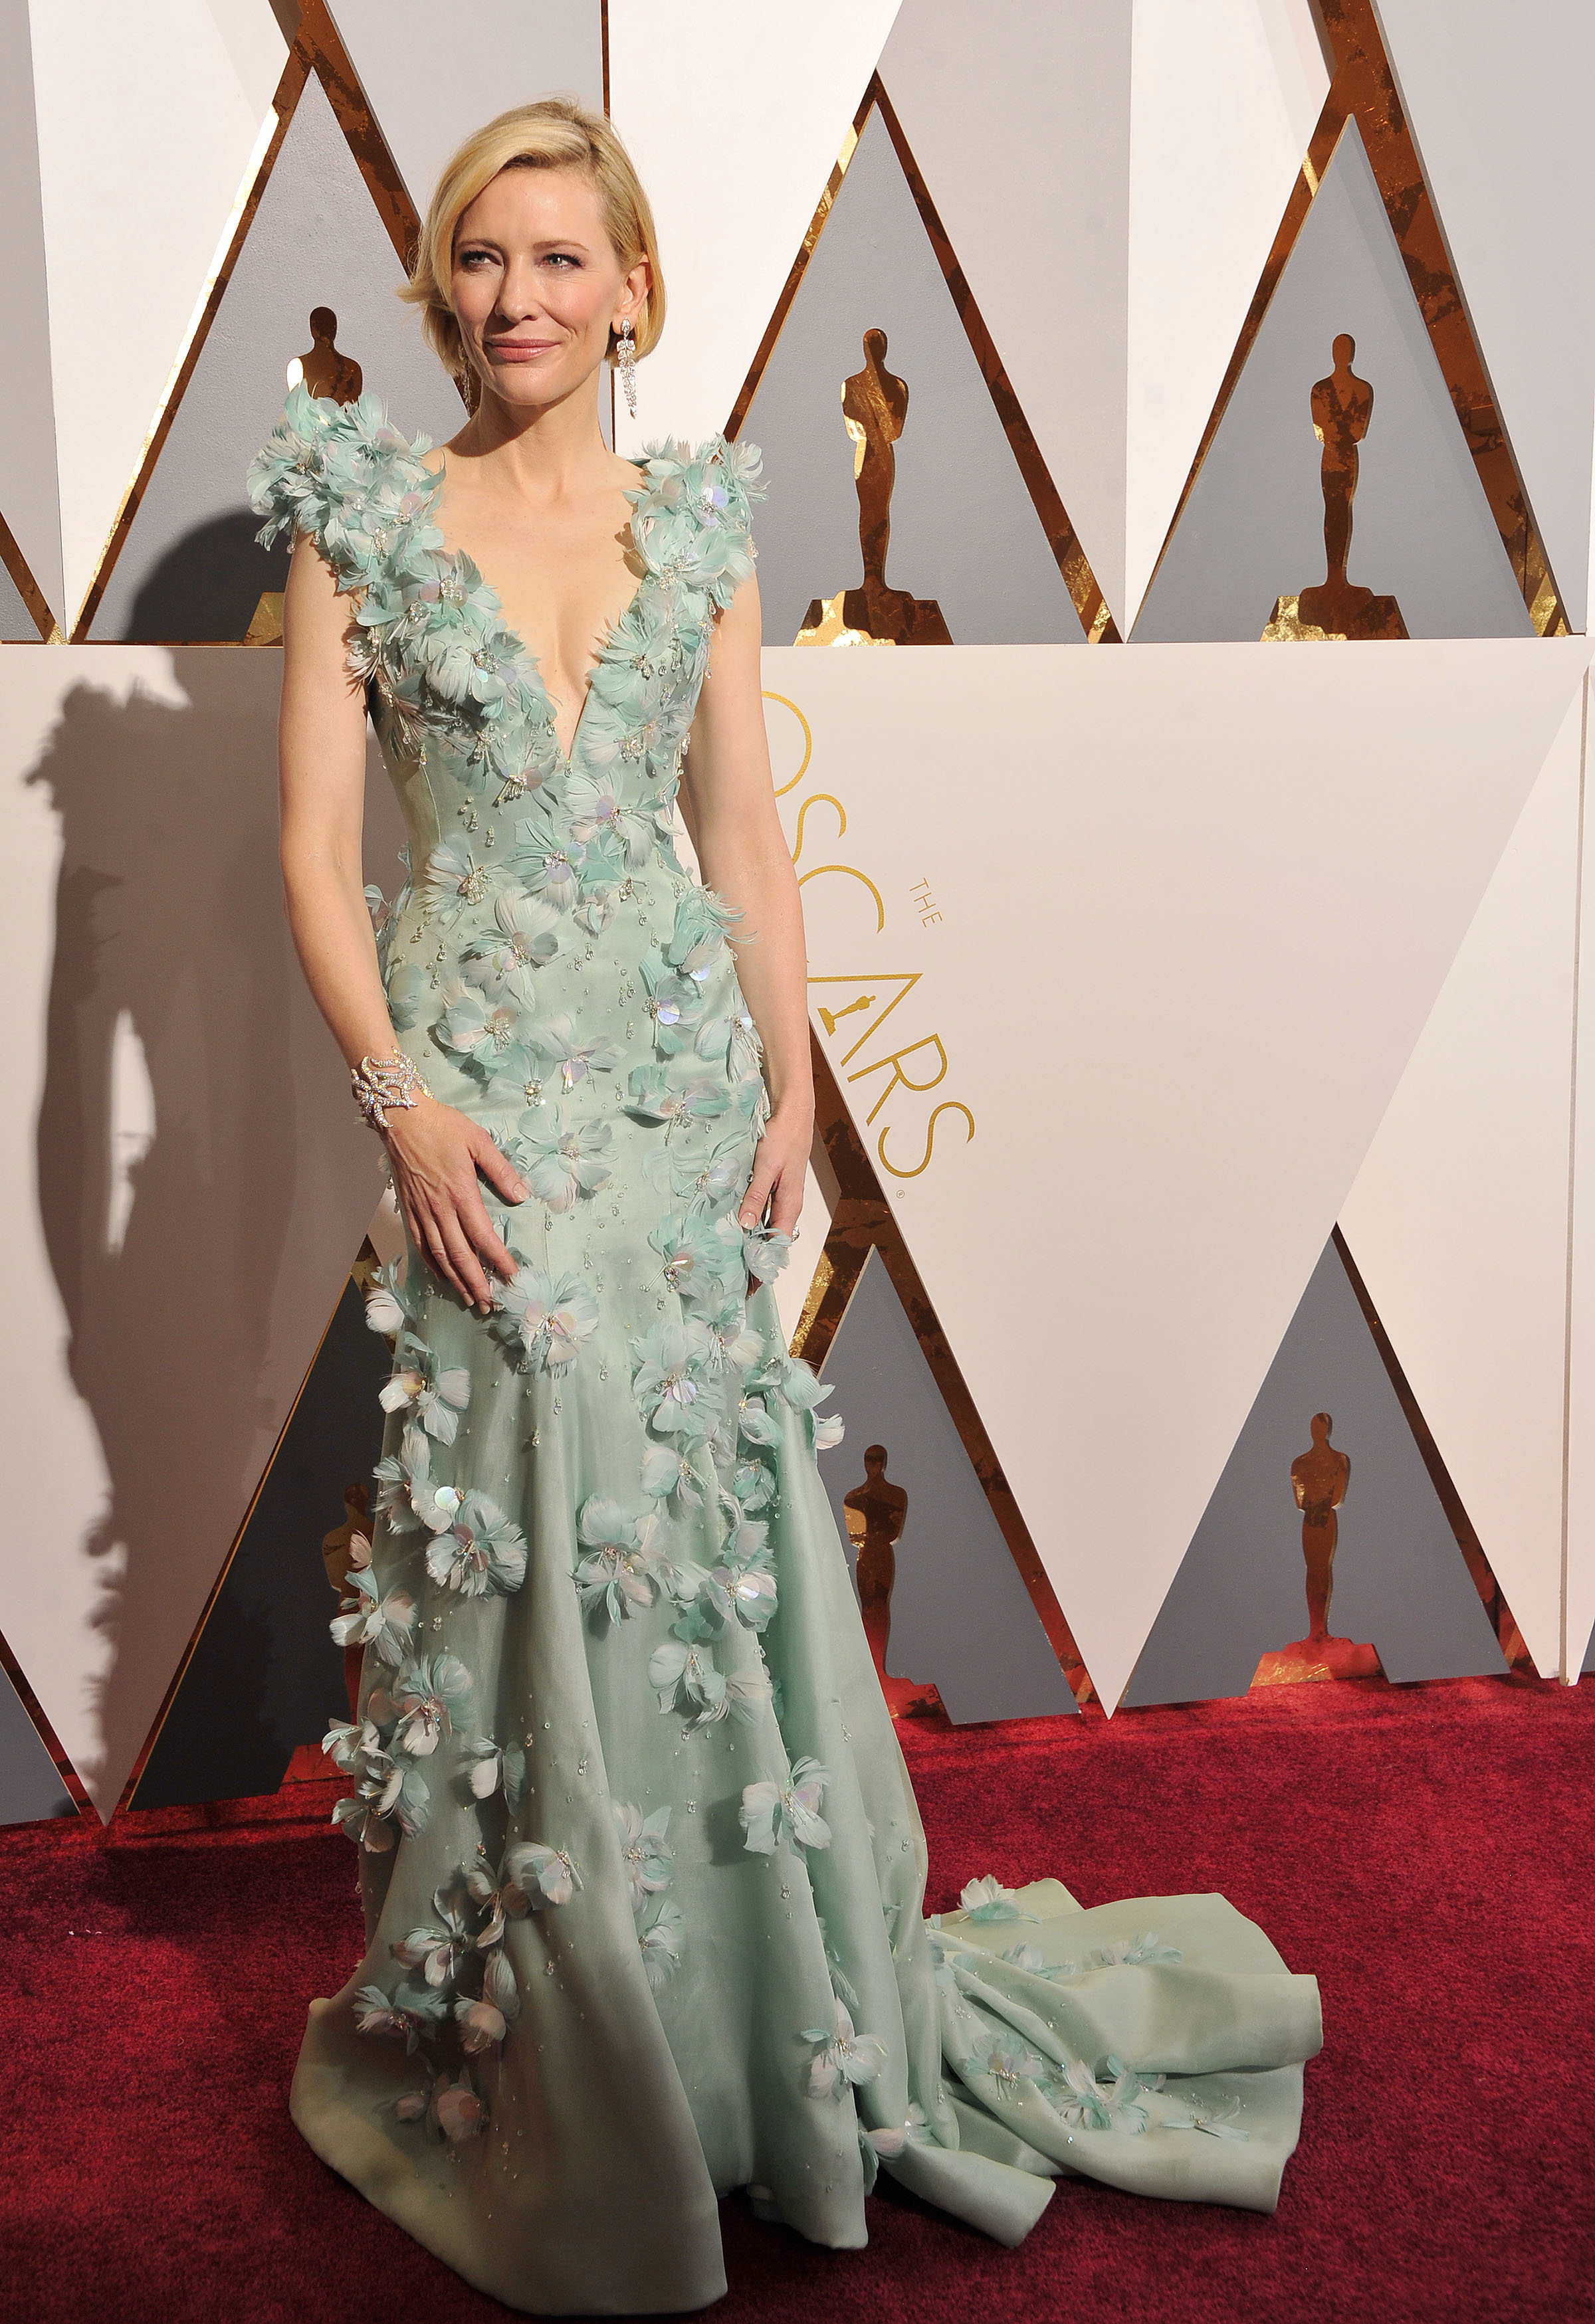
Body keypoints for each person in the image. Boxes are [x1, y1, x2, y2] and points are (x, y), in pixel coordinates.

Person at [252, 97, 1322, 2315]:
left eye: (561, 259)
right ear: (446, 285)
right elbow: (311, 855)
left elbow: (741, 831)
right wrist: (401, 1105)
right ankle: (555, 2040)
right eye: (483, 258)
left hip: (669, 1090)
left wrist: (797, 1091)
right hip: (477, 1102)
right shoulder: (363, 514)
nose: (518, 296)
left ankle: (739, 2030)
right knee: (520, 1520)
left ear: (634, 289)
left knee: (689, 1526)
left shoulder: (701, 521)